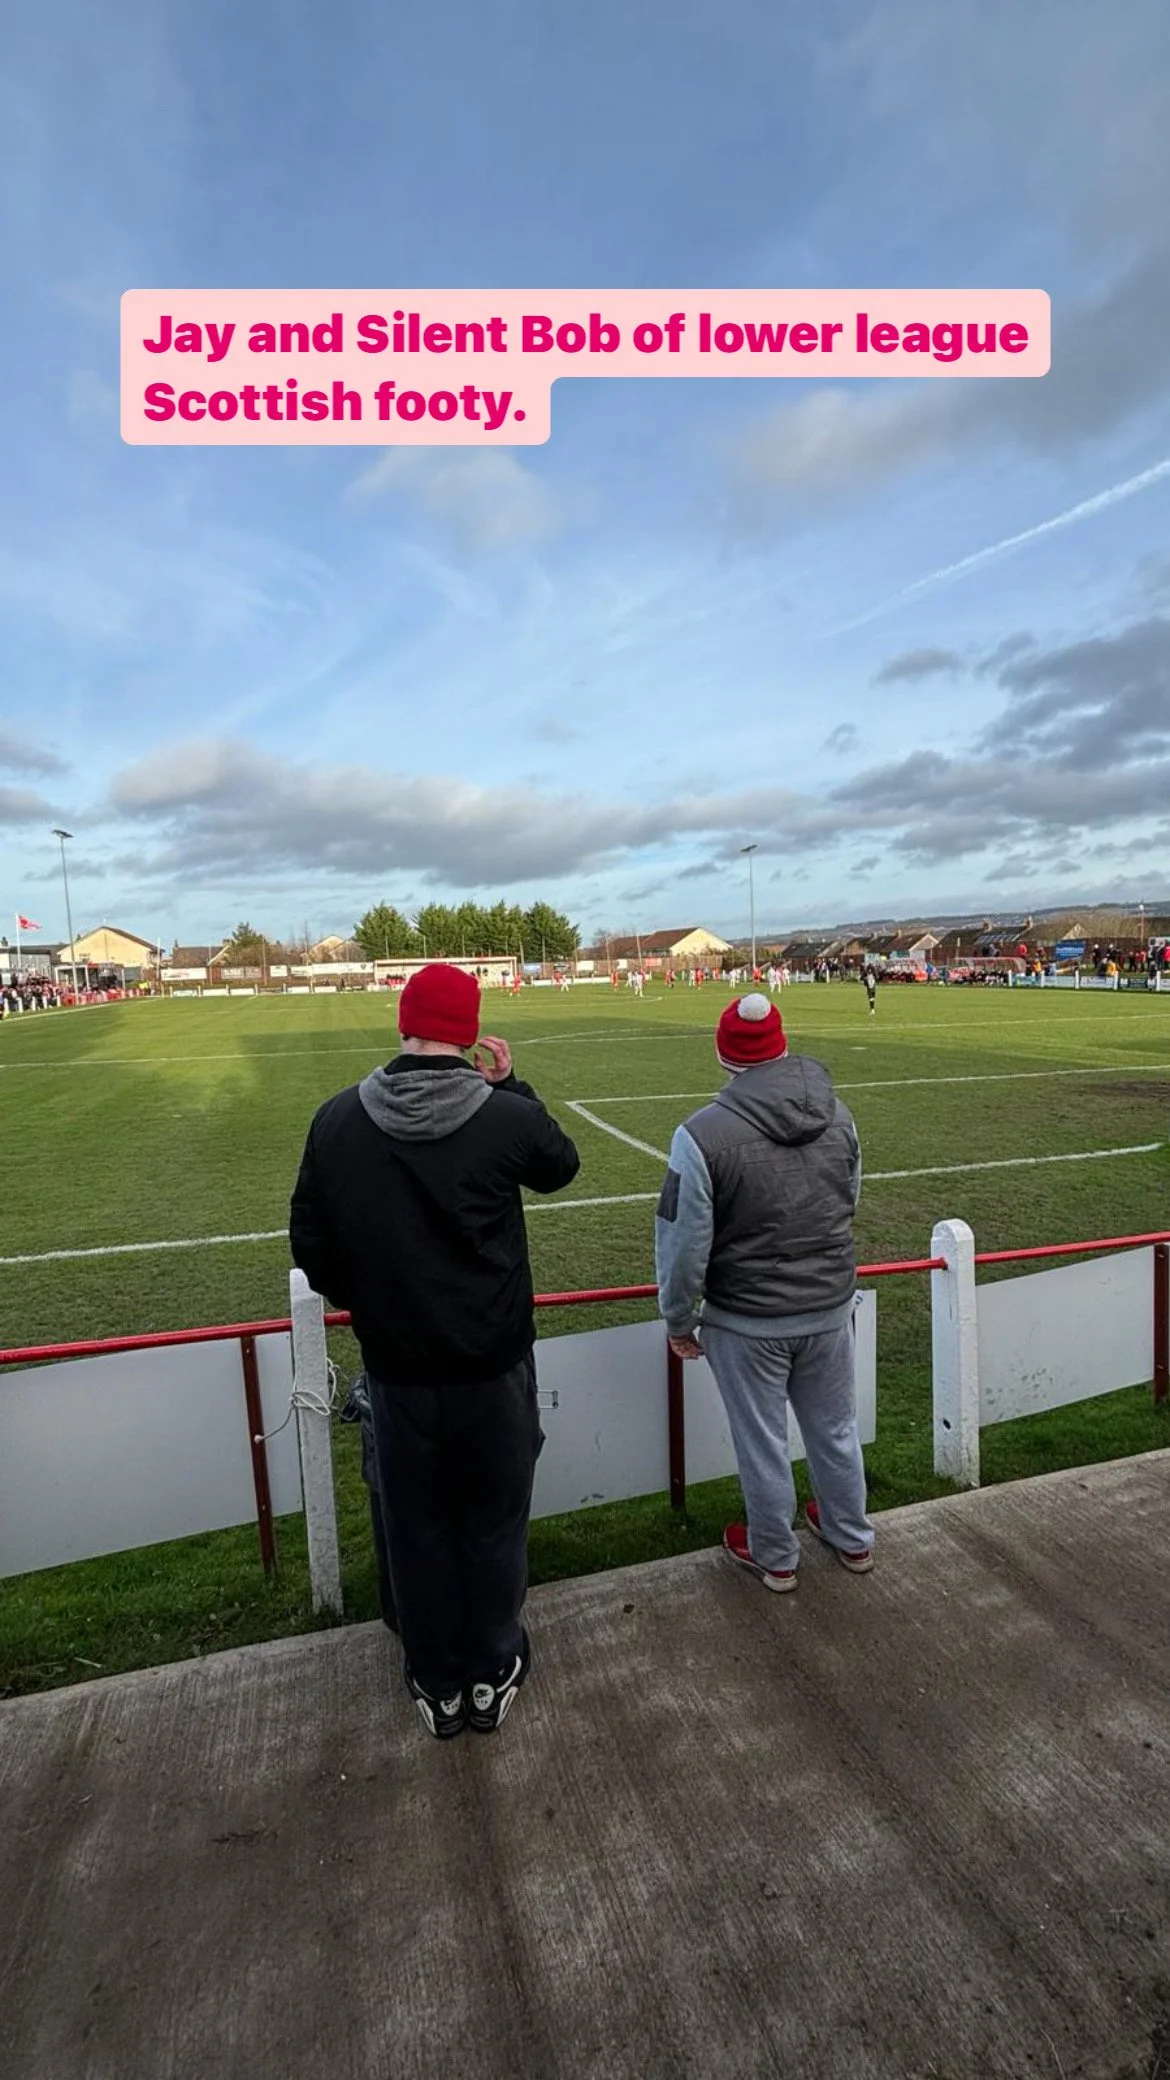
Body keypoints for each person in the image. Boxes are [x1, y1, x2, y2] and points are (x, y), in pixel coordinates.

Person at [289, 963, 580, 1740]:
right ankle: (490, 1670)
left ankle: (436, 1678)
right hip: (492, 1367)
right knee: (492, 1522)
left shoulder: (337, 1119)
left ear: (402, 1023)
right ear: (470, 1031)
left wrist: (375, 1304)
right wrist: (514, 1085)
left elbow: (311, 1244)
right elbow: (561, 1166)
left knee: (415, 1527)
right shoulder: (503, 1119)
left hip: (398, 1369)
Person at [654, 992, 873, 1592]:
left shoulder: (700, 1134)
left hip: (748, 1321)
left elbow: (683, 1242)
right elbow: (847, 1201)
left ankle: (776, 1555)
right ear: (780, 1045)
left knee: (762, 1441)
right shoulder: (841, 1114)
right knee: (834, 1429)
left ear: (724, 1055)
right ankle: (852, 1536)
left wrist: (677, 1319)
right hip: (828, 1309)